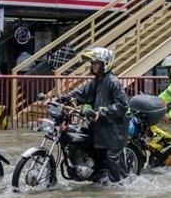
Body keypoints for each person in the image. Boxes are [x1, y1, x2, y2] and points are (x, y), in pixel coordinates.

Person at [55, 47, 130, 183]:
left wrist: (99, 114)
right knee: (91, 153)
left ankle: (120, 187)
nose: (93, 66)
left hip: (114, 131)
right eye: (92, 63)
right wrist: (62, 98)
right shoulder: (95, 82)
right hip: (98, 128)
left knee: (112, 160)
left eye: (96, 63)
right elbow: (79, 95)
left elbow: (122, 105)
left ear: (105, 64)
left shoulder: (113, 82)